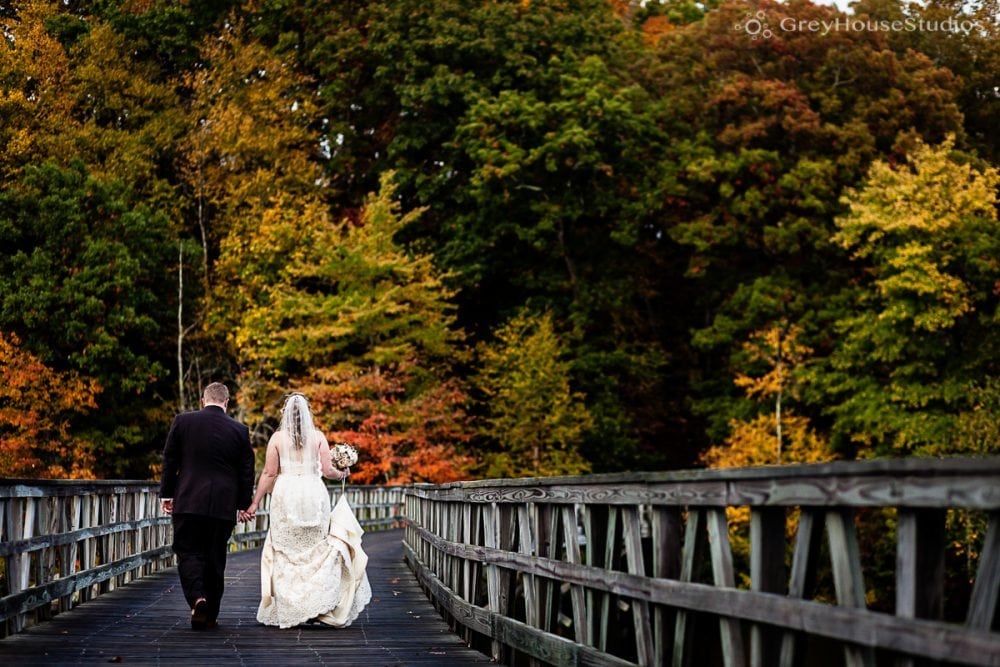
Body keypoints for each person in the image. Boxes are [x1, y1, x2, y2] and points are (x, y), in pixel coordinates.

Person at [241, 392, 372, 629]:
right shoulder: (318, 437)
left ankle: (292, 606)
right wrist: (343, 473)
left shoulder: (277, 439)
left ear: (285, 414)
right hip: (313, 494)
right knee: (316, 549)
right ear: (307, 414)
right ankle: (316, 604)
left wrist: (255, 502)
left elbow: (270, 473)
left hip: (285, 495)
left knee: (285, 550)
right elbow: (328, 470)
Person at [159, 382, 255, 630]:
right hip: (222, 505)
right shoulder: (240, 430)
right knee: (215, 557)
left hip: (189, 499)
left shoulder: (182, 422)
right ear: (227, 402)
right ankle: (210, 614)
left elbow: (170, 460)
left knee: (188, 552)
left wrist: (167, 494)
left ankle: (197, 599)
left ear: (203, 401)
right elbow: (246, 471)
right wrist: (244, 504)